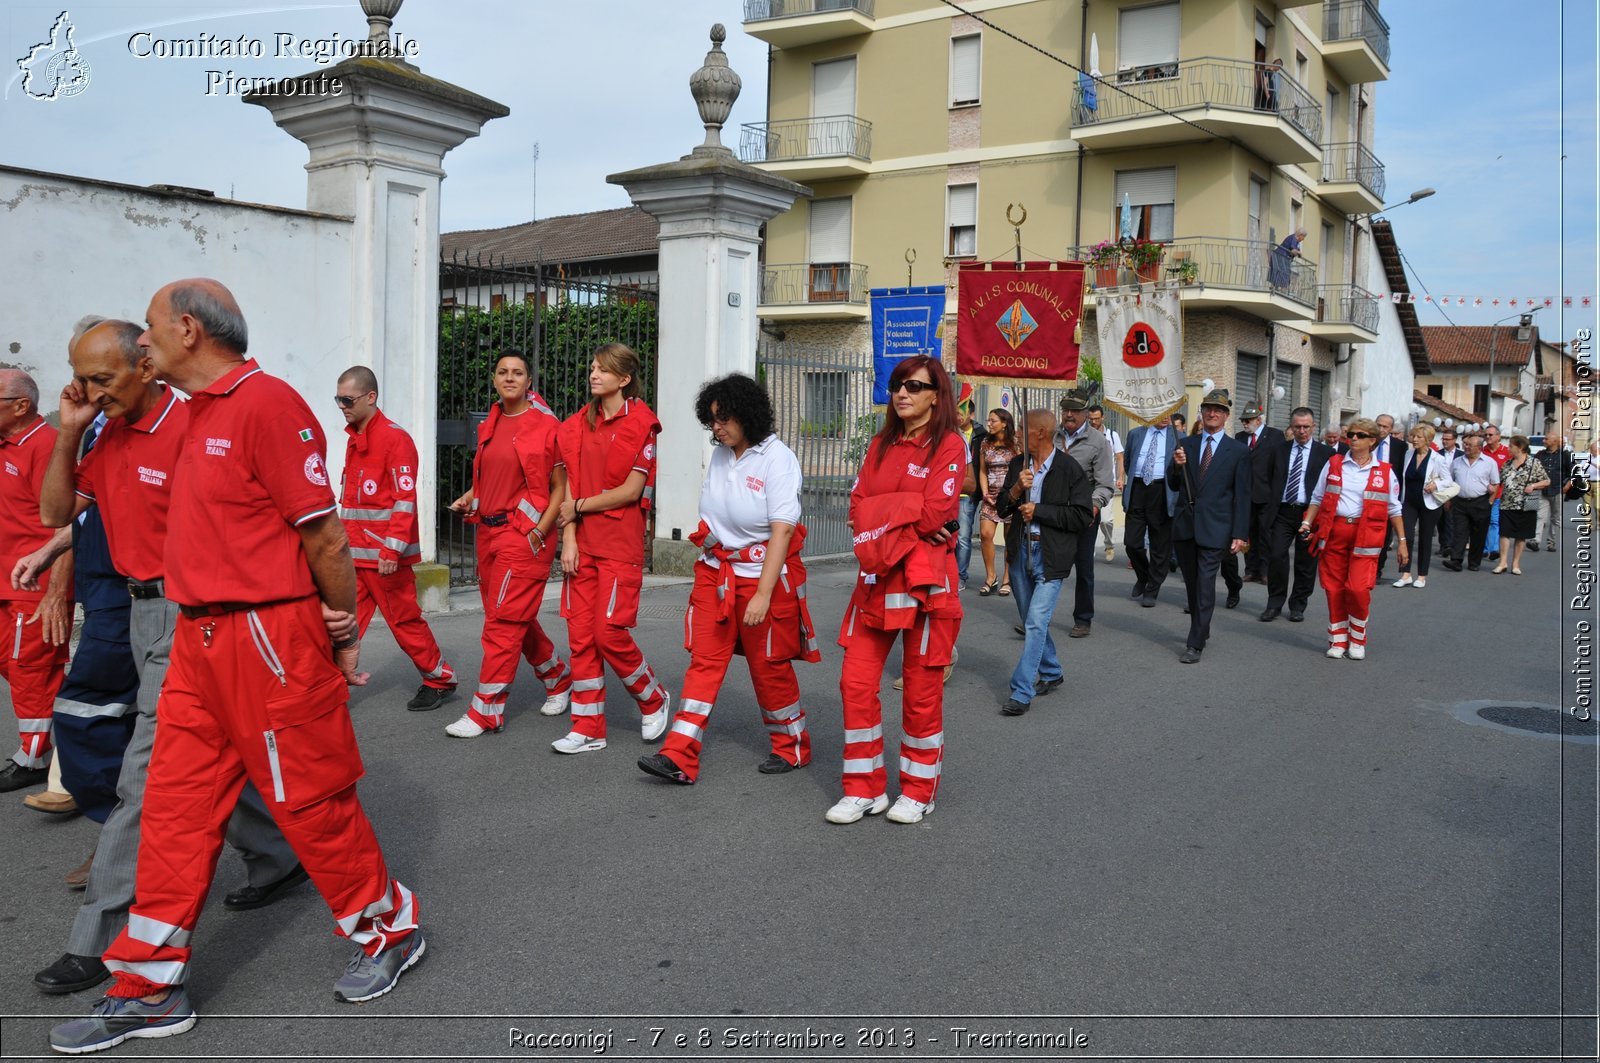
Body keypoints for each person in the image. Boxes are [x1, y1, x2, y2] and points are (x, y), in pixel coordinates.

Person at [49, 280, 424, 1055]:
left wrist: (343, 630)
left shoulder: (267, 404)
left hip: (268, 638)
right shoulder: (191, 415)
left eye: (150, 330)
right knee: (175, 809)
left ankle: (389, 930)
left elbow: (323, 534)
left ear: (188, 329)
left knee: (311, 800)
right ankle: (149, 984)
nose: (142, 342)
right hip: (196, 639)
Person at [30, 318, 305, 1000]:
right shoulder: (105, 430)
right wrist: (69, 429)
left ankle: (100, 937)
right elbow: (56, 511)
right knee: (212, 751)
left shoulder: (192, 427)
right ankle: (276, 855)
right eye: (79, 376)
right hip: (133, 606)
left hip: (190, 613)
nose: (87, 389)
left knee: (145, 773)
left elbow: (267, 516)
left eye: (100, 377)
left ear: (145, 366)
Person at [638, 373, 818, 785]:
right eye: (712, 420)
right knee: (704, 661)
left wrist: (763, 595)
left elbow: (783, 531)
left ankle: (792, 746)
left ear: (748, 414)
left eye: (724, 419)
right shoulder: (722, 456)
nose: (716, 428)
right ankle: (679, 755)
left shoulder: (778, 459)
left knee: (768, 667)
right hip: (715, 574)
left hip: (763, 579)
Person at [828, 355, 963, 826]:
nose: (902, 392)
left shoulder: (949, 445)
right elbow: (858, 508)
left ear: (935, 394)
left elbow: (936, 513)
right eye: (896, 384)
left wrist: (884, 519)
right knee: (855, 682)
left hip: (927, 584)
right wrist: (903, 515)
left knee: (922, 691)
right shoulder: (879, 445)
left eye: (914, 385)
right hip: (877, 581)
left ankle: (918, 789)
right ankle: (863, 789)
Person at [442, 351, 571, 737]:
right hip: (489, 532)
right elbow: (490, 476)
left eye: (518, 373)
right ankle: (558, 676)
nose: (510, 378)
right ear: (495, 380)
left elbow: (559, 486)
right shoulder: (492, 421)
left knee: (501, 624)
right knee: (512, 616)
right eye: (503, 372)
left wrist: (538, 532)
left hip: (523, 536)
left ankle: (486, 711)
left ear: (529, 382)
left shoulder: (546, 426)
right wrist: (470, 496)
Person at [552, 343, 669, 755]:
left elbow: (631, 490)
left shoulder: (642, 423)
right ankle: (588, 727)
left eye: (603, 369)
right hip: (581, 544)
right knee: (580, 637)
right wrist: (568, 538)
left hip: (619, 544)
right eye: (592, 367)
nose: (594, 374)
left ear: (624, 378)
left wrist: (579, 508)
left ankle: (653, 697)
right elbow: (569, 487)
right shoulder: (575, 425)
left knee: (608, 634)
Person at [334, 367, 459, 713]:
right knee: (341, 622)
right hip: (355, 556)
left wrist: (391, 549)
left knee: (403, 622)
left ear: (370, 397)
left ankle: (439, 679)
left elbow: (404, 501)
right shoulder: (354, 438)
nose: (341, 406)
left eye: (347, 399)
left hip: (384, 558)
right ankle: (329, 685)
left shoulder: (394, 439)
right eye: (338, 399)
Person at [0, 368, 72, 793]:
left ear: (21, 406)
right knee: (25, 668)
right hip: (6, 580)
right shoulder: (7, 443)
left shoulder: (46, 446)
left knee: (31, 669)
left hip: (32, 585)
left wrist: (58, 592)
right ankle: (71, 726)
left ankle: (33, 757)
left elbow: (65, 525)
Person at [995, 408, 1094, 716]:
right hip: (1020, 553)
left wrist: (1039, 510)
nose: (1017, 433)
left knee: (1036, 622)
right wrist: (1015, 490)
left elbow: (1082, 516)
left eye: (1022, 428)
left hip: (1051, 556)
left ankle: (1021, 691)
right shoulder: (1017, 465)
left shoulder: (1069, 469)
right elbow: (1000, 510)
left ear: (1039, 433)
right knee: (1031, 621)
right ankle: (1051, 672)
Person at [1299, 417, 1406, 660]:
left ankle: (1357, 638)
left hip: (1366, 538)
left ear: (1372, 441)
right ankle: (1338, 640)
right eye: (1351, 435)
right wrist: (1307, 523)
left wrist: (1402, 542)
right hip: (1334, 533)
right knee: (1334, 588)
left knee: (1357, 589)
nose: (1353, 439)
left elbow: (1394, 509)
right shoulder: (1334, 463)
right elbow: (1317, 497)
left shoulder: (1386, 472)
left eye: (1359, 435)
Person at [1167, 388, 1252, 664]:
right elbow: (1173, 483)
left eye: (1217, 410)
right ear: (1201, 413)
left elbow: (1242, 495)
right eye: (1207, 409)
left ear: (1226, 416)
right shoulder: (1186, 445)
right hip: (1186, 525)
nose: (1211, 413)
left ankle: (1194, 643)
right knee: (1191, 584)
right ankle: (1201, 629)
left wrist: (1240, 533)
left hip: (1217, 527)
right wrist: (1176, 466)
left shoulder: (1238, 451)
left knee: (1205, 584)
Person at [1258, 407, 1332, 621]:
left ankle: (1298, 604)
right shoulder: (1279, 450)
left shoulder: (1325, 454)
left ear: (1314, 427)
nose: (1301, 431)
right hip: (1282, 512)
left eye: (1306, 427)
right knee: (1276, 556)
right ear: (1291, 427)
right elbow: (1269, 478)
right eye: (1297, 427)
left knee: (1305, 561)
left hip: (1309, 513)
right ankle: (1274, 603)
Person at [1055, 389, 1115, 639]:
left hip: (1084, 513)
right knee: (1046, 567)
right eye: (1066, 409)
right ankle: (1036, 617)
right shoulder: (1051, 435)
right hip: (1054, 511)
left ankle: (1083, 618)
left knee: (1083, 568)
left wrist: (1093, 506)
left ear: (1085, 413)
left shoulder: (1099, 442)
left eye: (1075, 411)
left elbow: (1105, 484)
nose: (1069, 415)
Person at [1122, 413, 1180, 608]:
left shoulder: (1179, 437)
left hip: (1162, 491)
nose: (1165, 417)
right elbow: (1128, 462)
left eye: (1169, 413)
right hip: (1138, 488)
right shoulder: (1135, 434)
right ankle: (1143, 575)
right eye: (1161, 413)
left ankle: (1152, 589)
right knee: (1131, 542)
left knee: (1160, 546)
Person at [1391, 423, 1455, 589]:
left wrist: (1436, 486)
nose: (1414, 440)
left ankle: (1421, 575)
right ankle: (1405, 574)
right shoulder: (1408, 454)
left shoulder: (1438, 459)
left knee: (1425, 538)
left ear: (1428, 439)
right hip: (1409, 501)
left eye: (1419, 437)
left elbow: (1448, 480)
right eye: (1413, 436)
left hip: (1429, 503)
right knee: (1406, 537)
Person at [1224, 403, 1274, 588]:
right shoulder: (1239, 437)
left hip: (1266, 495)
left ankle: (1265, 571)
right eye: (1243, 420)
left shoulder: (1274, 436)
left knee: (1265, 534)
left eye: (1248, 420)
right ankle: (1250, 570)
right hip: (1245, 495)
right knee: (1246, 533)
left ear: (1259, 420)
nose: (1245, 423)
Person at [1441, 428, 1500, 572]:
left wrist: (1490, 501)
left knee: (1478, 534)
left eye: (1469, 445)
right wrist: (1447, 500)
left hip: (1480, 501)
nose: (1466, 447)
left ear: (1479, 448)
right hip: (1460, 501)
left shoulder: (1489, 462)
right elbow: (1450, 481)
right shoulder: (1457, 462)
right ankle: (1456, 560)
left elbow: (1496, 483)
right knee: (1460, 532)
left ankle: (1474, 562)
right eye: (1465, 444)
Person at [975, 407, 1018, 596]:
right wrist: (985, 493)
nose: (989, 424)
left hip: (1010, 497)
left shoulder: (1015, 443)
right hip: (990, 497)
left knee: (1010, 539)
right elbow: (983, 470)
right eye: (988, 420)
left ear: (1004, 423)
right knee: (985, 534)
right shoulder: (985, 442)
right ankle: (990, 577)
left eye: (993, 421)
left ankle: (1007, 579)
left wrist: (1013, 494)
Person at [1493, 435, 1550, 575]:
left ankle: (1516, 563)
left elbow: (1546, 481)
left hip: (1525, 505)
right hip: (1507, 503)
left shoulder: (1533, 463)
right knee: (1504, 533)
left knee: (1521, 535)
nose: (1508, 448)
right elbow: (1498, 481)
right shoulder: (1507, 464)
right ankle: (1502, 562)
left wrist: (1534, 485)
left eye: (1511, 446)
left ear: (1520, 448)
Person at [954, 383, 986, 588]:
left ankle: (960, 576)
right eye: (955, 412)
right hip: (947, 494)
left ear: (971, 415)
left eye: (961, 412)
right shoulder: (949, 433)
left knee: (963, 537)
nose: (958, 416)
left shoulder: (980, 436)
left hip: (967, 496)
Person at [1088, 404, 1125, 561]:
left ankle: (1109, 544)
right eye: (1091, 419)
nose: (1094, 422)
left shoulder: (1112, 435)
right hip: (1089, 482)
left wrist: (1120, 477)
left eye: (1097, 419)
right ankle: (1089, 548)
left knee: (1105, 519)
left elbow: (1119, 457)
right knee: (1088, 517)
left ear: (1103, 417)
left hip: (1106, 483)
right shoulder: (1085, 435)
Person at [1531, 431, 1572, 552]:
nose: (1544, 441)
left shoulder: (1564, 456)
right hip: (1542, 489)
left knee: (1555, 518)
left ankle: (1551, 542)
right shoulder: (1540, 454)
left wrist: (1568, 485)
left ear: (1554, 441)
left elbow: (1572, 473)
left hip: (1557, 489)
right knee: (1539, 516)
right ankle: (1536, 540)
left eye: (1546, 439)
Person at [1482, 423, 1510, 560]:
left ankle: (1493, 549)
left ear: (1498, 437)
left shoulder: (1507, 452)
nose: (1487, 437)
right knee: (1483, 520)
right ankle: (1485, 547)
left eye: (1490, 435)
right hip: (1483, 493)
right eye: (1486, 435)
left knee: (1494, 521)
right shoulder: (1482, 451)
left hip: (1500, 493)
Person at [1435, 425, 1462, 557]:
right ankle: (1443, 544)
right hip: (1440, 489)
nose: (1444, 441)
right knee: (1441, 519)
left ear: (1455, 440)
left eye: (1447, 439)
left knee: (1451, 519)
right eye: (1443, 439)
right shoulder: (1437, 454)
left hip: (1455, 490)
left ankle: (1450, 545)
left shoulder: (1461, 455)